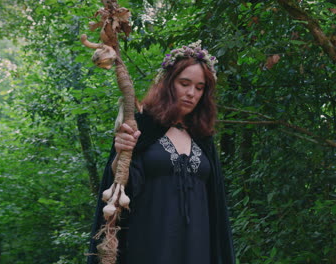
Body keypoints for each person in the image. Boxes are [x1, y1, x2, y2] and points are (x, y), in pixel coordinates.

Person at [87, 40, 235, 264]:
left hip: (198, 247)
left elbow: (216, 205)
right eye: (184, 83)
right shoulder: (141, 126)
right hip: (150, 244)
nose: (191, 93)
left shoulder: (203, 137)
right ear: (168, 83)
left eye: (199, 87)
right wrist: (120, 153)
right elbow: (121, 186)